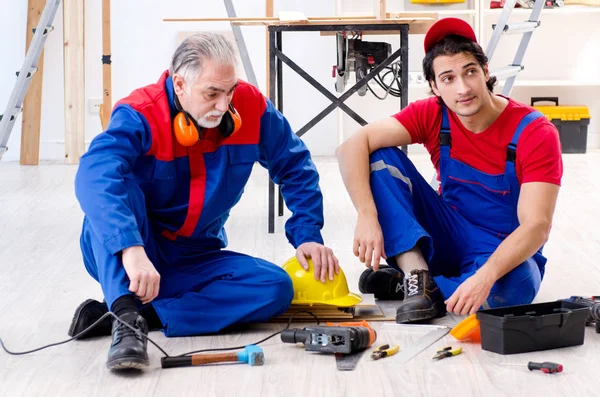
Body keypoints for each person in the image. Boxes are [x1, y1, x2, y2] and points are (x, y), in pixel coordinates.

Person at [69, 32, 339, 370]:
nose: (224, 106)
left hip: (196, 256)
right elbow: (94, 175)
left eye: (230, 92)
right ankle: (126, 319)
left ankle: (144, 314)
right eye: (212, 93)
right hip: (132, 253)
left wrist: (308, 234)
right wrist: (131, 249)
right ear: (180, 85)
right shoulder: (141, 113)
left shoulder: (252, 108)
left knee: (275, 288)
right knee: (118, 187)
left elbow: (295, 164)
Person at [336, 18, 562, 324]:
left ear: (486, 71)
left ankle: (410, 286)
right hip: (447, 232)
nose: (463, 88)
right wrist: (366, 214)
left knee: (517, 286)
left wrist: (485, 276)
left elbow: (537, 226)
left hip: (501, 247)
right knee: (378, 156)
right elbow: (351, 146)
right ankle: (417, 274)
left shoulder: (534, 131)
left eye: (470, 72)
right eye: (448, 78)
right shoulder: (432, 114)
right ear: (434, 86)